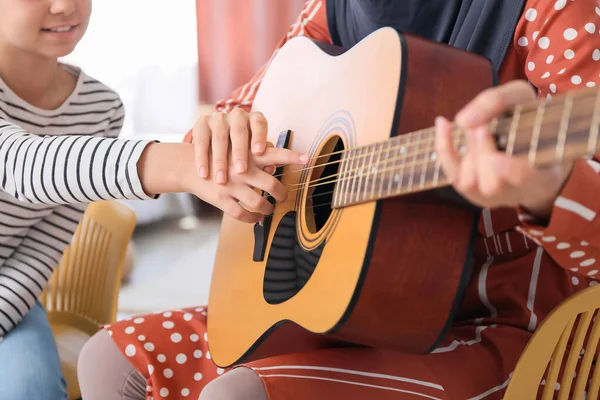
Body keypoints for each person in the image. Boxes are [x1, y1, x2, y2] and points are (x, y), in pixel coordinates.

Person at [78, 0, 600, 399]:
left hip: (517, 328)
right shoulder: (335, 9)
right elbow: (250, 103)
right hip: (355, 307)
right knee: (109, 358)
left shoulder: (554, 10)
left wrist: (545, 187)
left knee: (239, 395)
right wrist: (223, 138)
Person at [0, 0, 306, 398]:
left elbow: (42, 245)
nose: (65, 6)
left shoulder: (100, 107)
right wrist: (182, 166)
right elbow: (23, 167)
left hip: (13, 295)